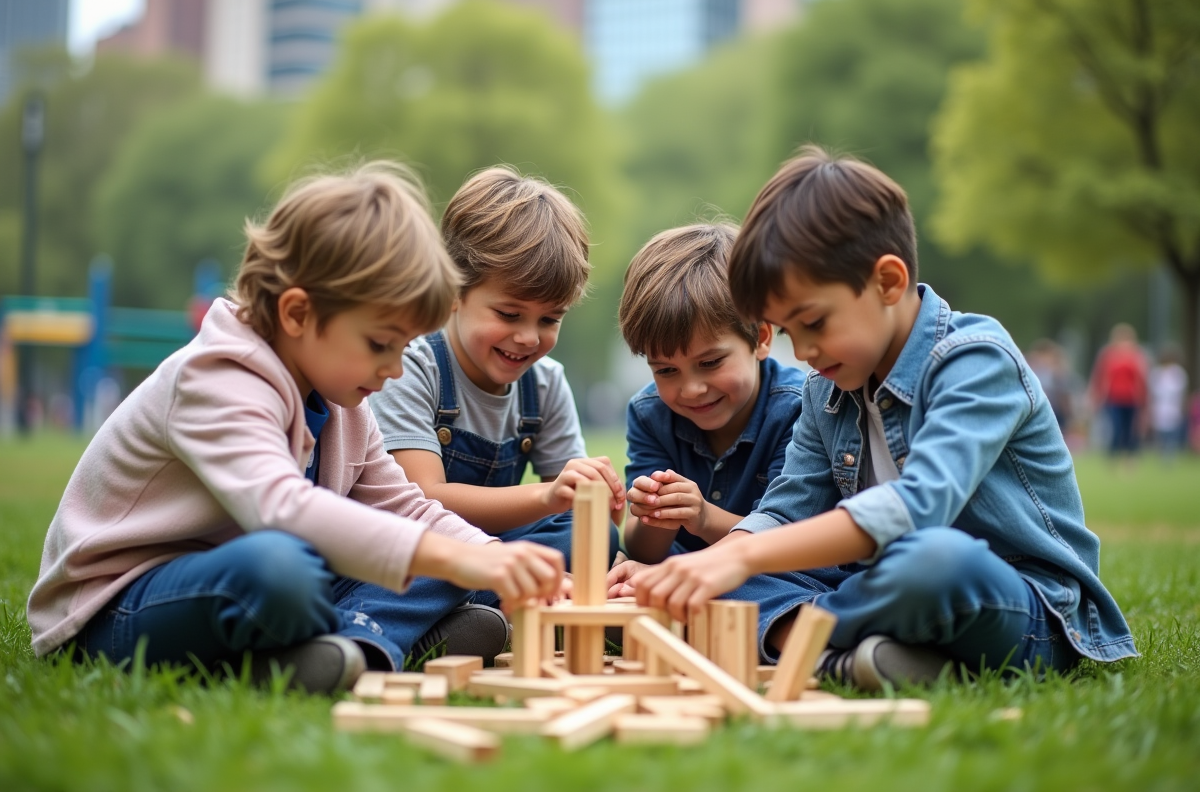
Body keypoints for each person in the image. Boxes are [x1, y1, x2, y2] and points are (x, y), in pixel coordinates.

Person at [26, 162, 565, 693]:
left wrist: (492, 558)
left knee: (438, 556)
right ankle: (357, 641)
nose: (395, 369)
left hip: (265, 578)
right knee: (284, 569)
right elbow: (282, 508)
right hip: (118, 608)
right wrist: (461, 557)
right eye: (381, 344)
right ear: (297, 314)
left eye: (403, 347)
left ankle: (349, 650)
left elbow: (406, 506)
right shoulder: (218, 375)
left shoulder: (344, 395)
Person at [632, 146, 1137, 689]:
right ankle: (869, 656)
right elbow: (783, 513)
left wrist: (741, 560)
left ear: (888, 282)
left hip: (1018, 608)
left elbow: (917, 507)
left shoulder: (975, 358)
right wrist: (707, 565)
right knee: (724, 567)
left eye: (814, 323)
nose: (801, 352)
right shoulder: (826, 389)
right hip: (877, 593)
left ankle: (800, 640)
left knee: (932, 561)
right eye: (788, 333)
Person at [368, 167, 625, 657]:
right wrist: (549, 495)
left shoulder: (545, 383)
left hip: (502, 549)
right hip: (430, 545)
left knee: (581, 535)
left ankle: (508, 611)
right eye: (509, 315)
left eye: (549, 319)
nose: (530, 337)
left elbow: (570, 507)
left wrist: (595, 499)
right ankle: (489, 610)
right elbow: (425, 497)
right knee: (409, 563)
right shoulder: (412, 365)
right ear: (453, 292)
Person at [607, 223, 846, 660]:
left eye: (710, 362)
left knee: (755, 587)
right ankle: (686, 622)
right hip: (684, 573)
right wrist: (654, 517)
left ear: (761, 338)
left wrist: (701, 517)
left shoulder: (796, 407)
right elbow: (641, 547)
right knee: (617, 569)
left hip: (777, 571)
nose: (691, 389)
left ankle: (809, 645)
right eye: (666, 371)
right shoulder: (649, 413)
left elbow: (789, 536)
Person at [1089, 323, 1148, 457]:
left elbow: (1141, 379)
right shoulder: (1108, 355)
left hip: (1131, 399)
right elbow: (1099, 376)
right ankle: (1113, 454)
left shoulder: (1136, 356)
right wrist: (1096, 396)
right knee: (1116, 427)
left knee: (1130, 428)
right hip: (1113, 398)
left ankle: (1129, 456)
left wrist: (1144, 399)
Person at [1147, 344, 1188, 458]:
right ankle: (1163, 452)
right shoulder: (1157, 373)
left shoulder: (1178, 373)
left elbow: (1180, 391)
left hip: (1172, 406)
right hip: (1160, 406)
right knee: (1161, 431)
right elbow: (1154, 390)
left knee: (1172, 430)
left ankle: (1170, 452)